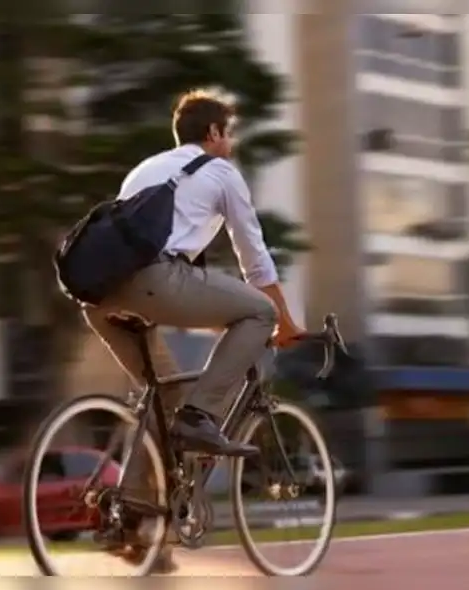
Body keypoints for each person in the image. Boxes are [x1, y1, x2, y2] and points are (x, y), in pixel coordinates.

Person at [82, 88, 304, 571]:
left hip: (100, 300)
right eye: (229, 134)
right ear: (214, 133)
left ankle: (137, 527)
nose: (231, 143)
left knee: (163, 398)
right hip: (155, 283)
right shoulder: (221, 172)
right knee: (259, 314)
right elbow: (254, 259)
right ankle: (200, 415)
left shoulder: (145, 169)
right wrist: (285, 322)